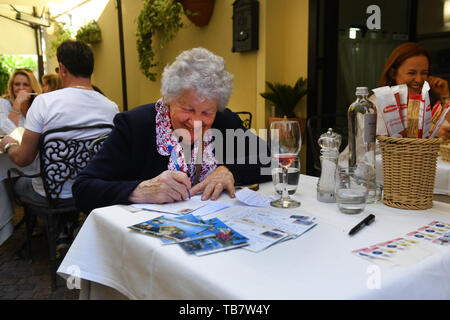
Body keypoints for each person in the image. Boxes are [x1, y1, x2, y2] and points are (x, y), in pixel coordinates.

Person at [72, 47, 271, 214]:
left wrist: (228, 171)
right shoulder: (135, 125)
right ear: (168, 98)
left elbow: (272, 160)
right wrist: (139, 190)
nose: (196, 122)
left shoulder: (224, 121)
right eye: (188, 109)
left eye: (206, 112)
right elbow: (83, 189)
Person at [0, 40, 119, 249]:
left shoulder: (44, 102)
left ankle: (54, 229)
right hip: (92, 188)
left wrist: (9, 144)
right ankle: (68, 226)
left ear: (62, 69)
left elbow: (23, 158)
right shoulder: (110, 107)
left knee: (19, 182)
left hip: (53, 194)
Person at [375, 42, 450, 139]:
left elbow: (447, 129)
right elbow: (381, 145)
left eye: (424, 73)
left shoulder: (423, 102)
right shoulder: (378, 103)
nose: (419, 80)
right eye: (411, 73)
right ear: (393, 73)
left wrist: (445, 95)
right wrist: (429, 134)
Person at [0, 69, 42, 135]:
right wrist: (17, 103)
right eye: (17, 84)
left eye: (25, 84)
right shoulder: (3, 103)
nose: (21, 88)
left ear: (32, 88)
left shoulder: (38, 105)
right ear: (12, 87)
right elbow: (6, 132)